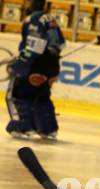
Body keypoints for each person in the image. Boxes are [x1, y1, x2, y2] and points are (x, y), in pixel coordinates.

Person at [5, 0, 65, 139]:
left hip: (35, 64)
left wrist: (20, 62)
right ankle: (48, 130)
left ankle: (23, 128)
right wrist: (51, 57)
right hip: (52, 64)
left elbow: (35, 46)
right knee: (42, 96)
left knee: (18, 95)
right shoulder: (50, 18)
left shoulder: (32, 19)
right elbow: (61, 43)